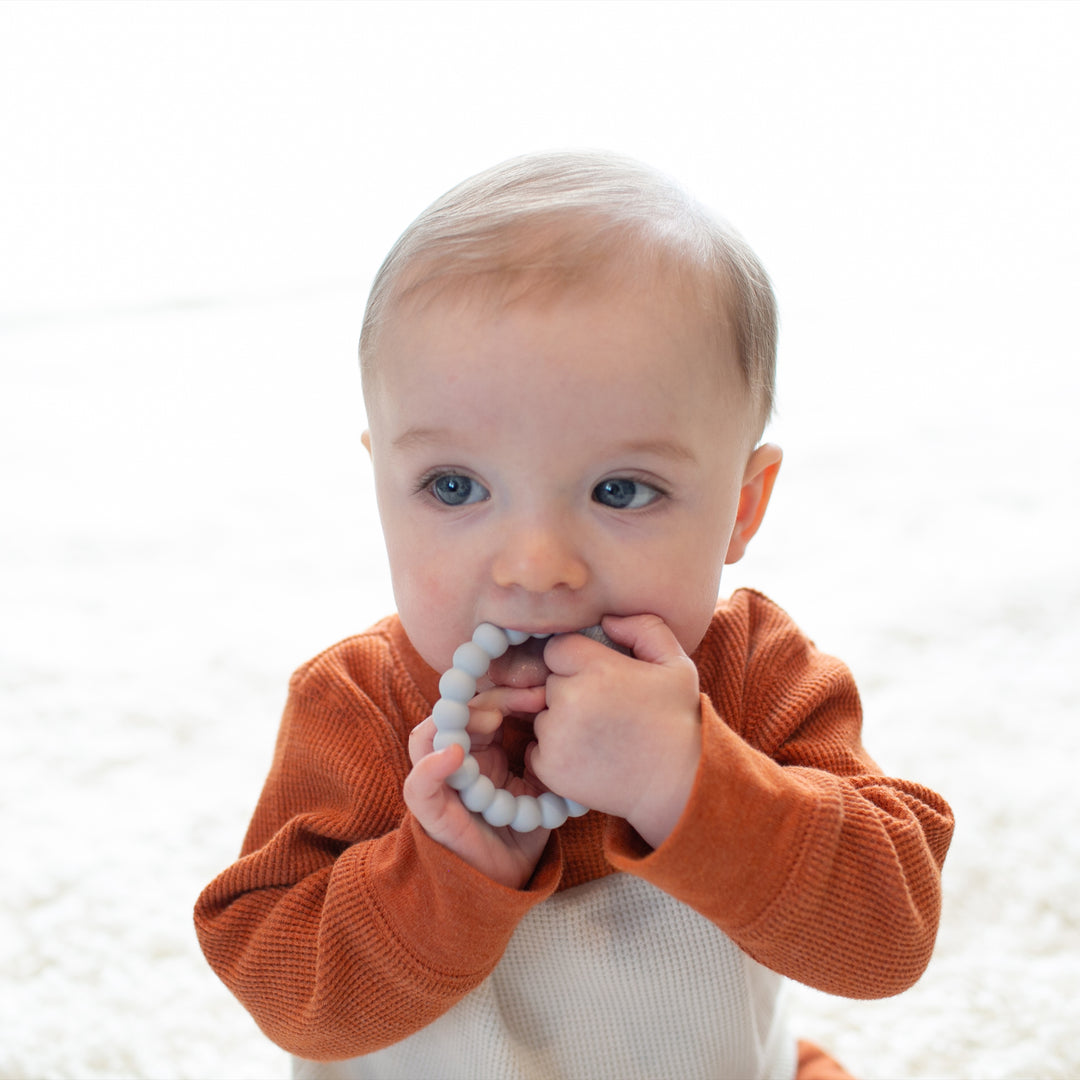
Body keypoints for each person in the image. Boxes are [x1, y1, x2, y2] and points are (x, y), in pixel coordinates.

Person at [195, 151, 954, 1080]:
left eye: (622, 489)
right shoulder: (356, 703)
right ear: (381, 484)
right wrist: (447, 871)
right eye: (454, 485)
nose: (534, 567)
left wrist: (688, 781)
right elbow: (284, 998)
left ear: (742, 510)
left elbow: (888, 939)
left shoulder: (759, 672)